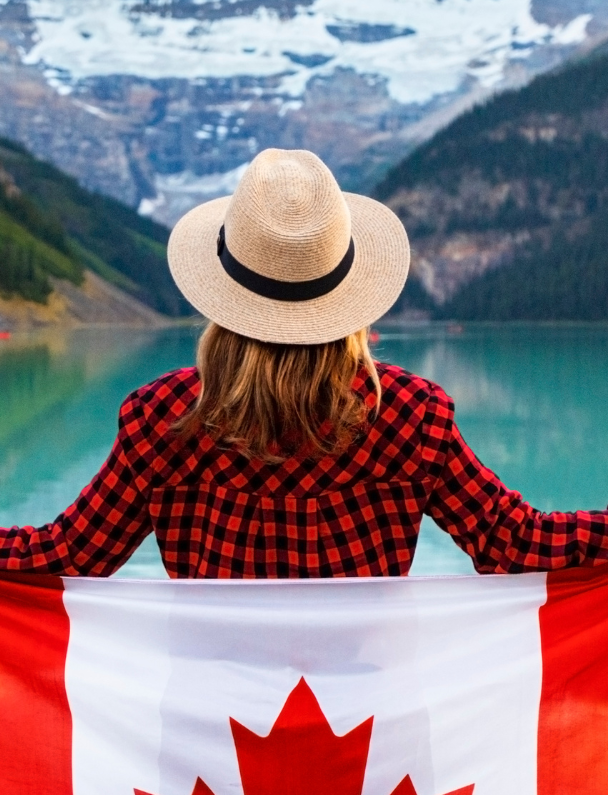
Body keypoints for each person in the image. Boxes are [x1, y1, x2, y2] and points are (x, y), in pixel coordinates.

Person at [1, 148, 607, 577]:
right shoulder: (413, 417)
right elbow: (514, 542)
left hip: (212, 738)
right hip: (372, 732)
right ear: (349, 300)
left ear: (224, 299)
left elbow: (65, 558)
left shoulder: (159, 419)